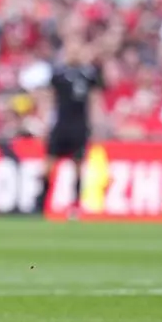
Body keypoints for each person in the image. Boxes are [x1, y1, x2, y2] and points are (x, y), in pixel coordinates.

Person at [37, 37, 104, 219]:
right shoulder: (58, 74)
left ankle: (75, 207)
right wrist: (45, 122)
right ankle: (40, 205)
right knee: (48, 166)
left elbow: (95, 100)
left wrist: (97, 124)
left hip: (79, 126)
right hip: (61, 126)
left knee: (78, 167)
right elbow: (49, 98)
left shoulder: (89, 74)